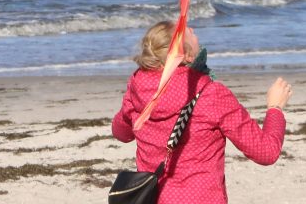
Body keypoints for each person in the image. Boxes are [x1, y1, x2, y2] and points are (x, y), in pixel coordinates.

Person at [111, 21, 292, 203]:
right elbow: (266, 152)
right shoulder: (212, 95)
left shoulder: (136, 88)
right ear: (188, 56)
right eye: (185, 30)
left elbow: (121, 133)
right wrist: (275, 108)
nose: (190, 28)